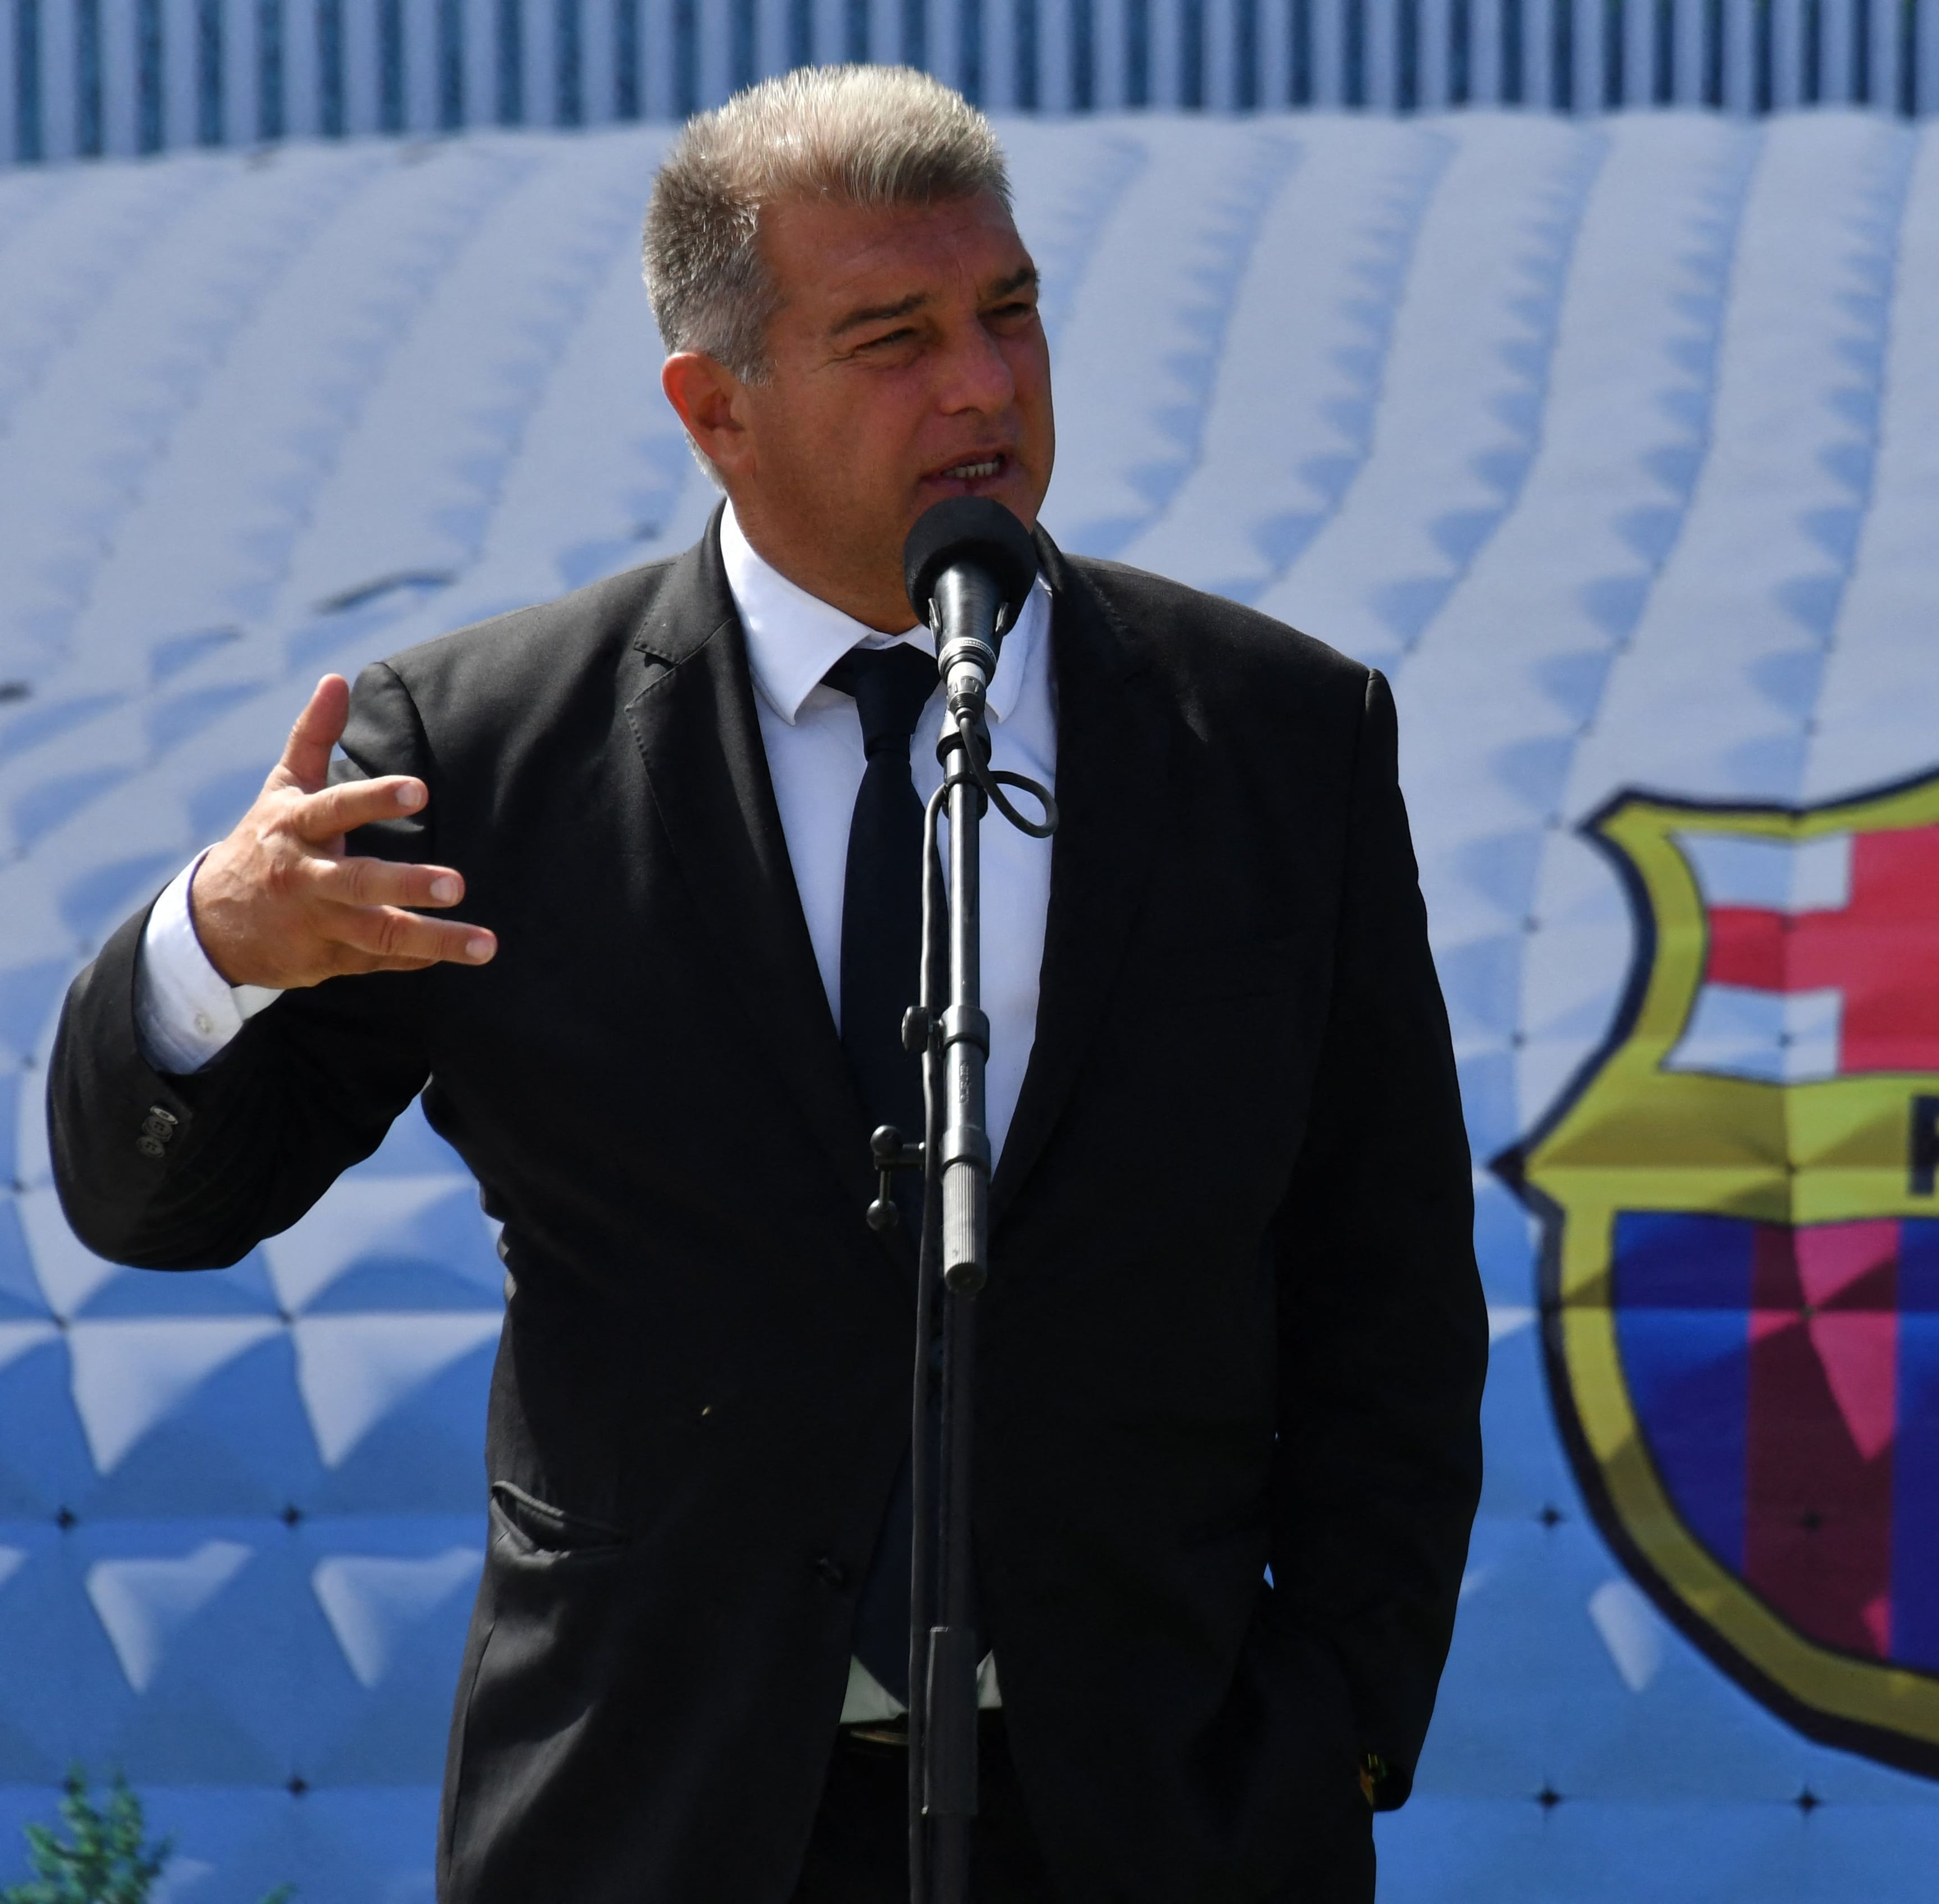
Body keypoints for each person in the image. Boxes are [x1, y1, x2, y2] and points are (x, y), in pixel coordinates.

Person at [47, 65, 1485, 1904]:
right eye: (892, 337)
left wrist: (1337, 1727)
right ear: (715, 406)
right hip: (658, 1811)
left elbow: (1390, 1286)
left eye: (1010, 311)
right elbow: (158, 1206)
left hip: (1160, 1815)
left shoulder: (1278, 736)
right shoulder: (487, 760)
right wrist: (211, 951)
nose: (982, 383)